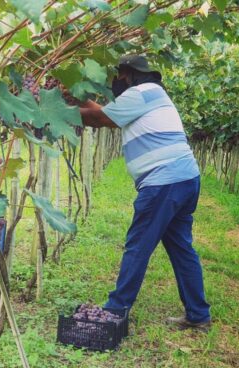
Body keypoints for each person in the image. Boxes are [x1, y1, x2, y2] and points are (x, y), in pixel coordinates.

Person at [79, 55, 211, 331]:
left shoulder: (141, 93)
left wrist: (57, 108)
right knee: (181, 248)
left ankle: (114, 312)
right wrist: (75, 98)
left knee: (138, 246)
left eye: (119, 75)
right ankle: (198, 316)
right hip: (185, 178)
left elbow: (100, 118)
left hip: (164, 182)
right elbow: (104, 113)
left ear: (129, 75)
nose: (115, 81)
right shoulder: (151, 95)